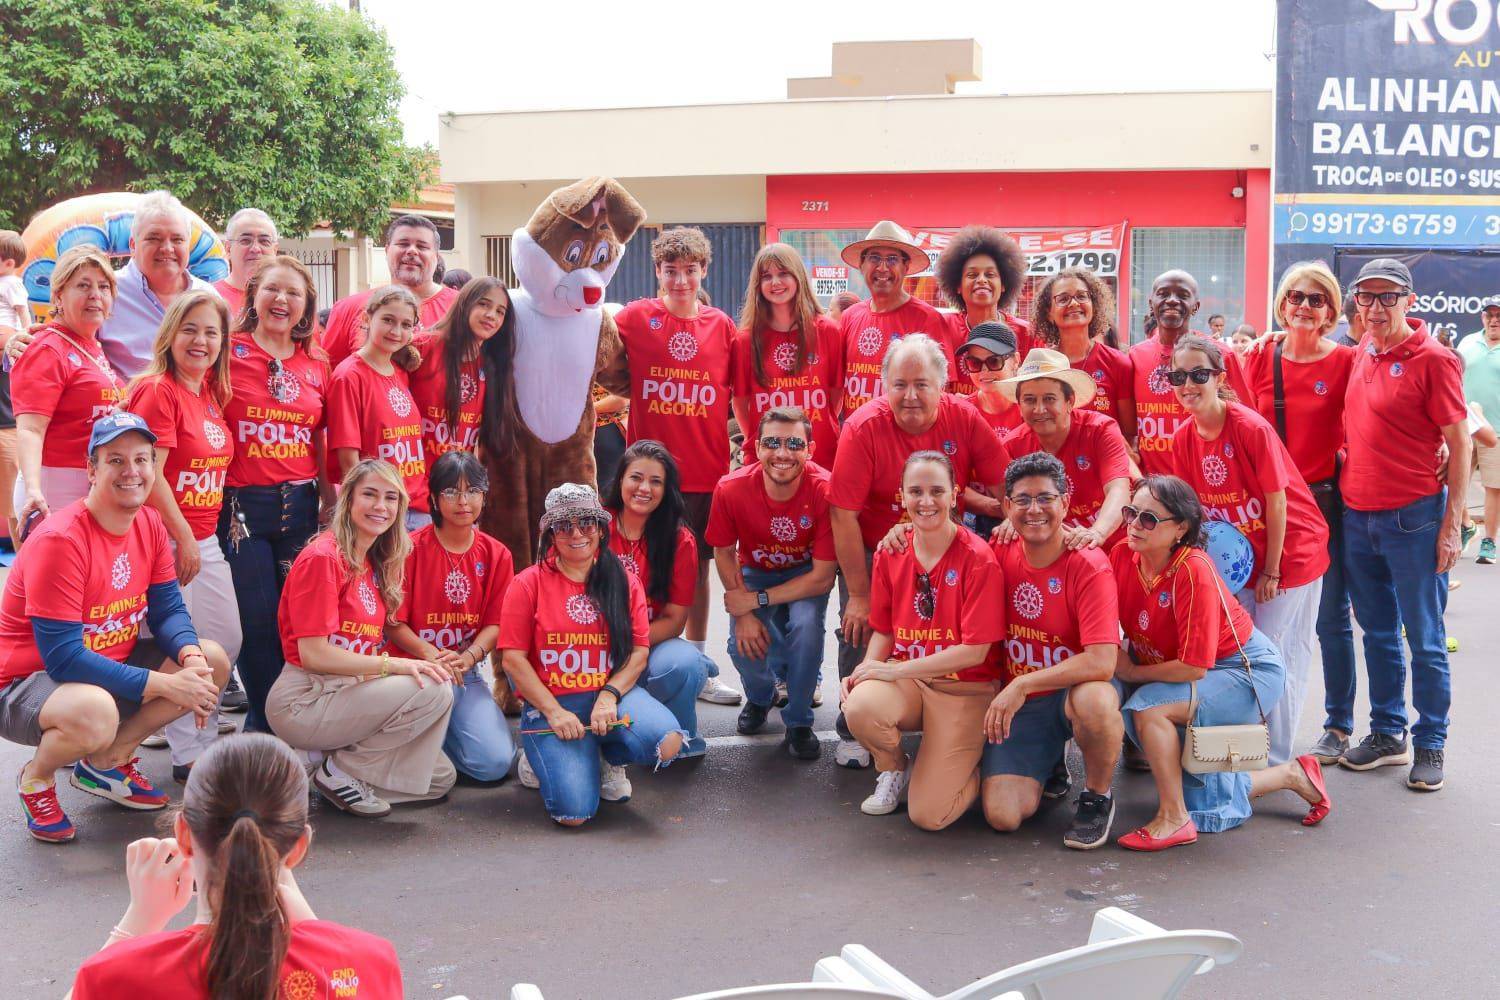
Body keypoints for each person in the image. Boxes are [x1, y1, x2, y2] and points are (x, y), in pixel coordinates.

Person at [0, 412, 231, 843]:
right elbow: (64, 658)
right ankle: (36, 779)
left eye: (142, 460)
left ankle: (107, 762)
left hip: (103, 669)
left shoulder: (147, 523)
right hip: (25, 683)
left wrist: (191, 660)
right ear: (91, 469)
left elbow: (168, 612)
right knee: (96, 712)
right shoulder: (61, 541)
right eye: (116, 460)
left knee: (211, 659)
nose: (132, 472)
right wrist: (165, 685)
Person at [68, 734, 403, 998]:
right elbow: (332, 969)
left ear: (183, 834)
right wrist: (311, 927)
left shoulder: (117, 975)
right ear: (298, 847)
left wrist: (138, 922)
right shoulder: (370, 961)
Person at [1111, 476, 1331, 851]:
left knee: (1150, 710)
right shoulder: (1121, 555)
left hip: (1244, 670)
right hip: (1190, 667)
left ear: (1181, 527)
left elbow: (1194, 668)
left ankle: (1173, 818)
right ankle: (1293, 774)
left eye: (1149, 519)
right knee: (1205, 796)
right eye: (1131, 512)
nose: (1134, 525)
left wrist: (1132, 672)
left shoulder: (1193, 568)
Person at [830, 334, 1009, 768]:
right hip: (879, 547)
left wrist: (1009, 529)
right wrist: (858, 592)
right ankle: (854, 725)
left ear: (943, 384)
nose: (910, 395)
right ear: (883, 384)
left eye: (922, 384)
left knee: (953, 635)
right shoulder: (863, 426)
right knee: (862, 627)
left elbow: (1006, 482)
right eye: (899, 384)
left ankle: (957, 712)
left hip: (945, 541)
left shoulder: (963, 418)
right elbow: (842, 515)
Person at [1339, 258, 1469, 791]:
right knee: (1377, 634)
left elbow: (1459, 441)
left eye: (1387, 297)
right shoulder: (1362, 351)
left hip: (1414, 518)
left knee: (1427, 637)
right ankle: (1389, 733)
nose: (1375, 307)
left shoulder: (1434, 359)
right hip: (1357, 516)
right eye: (1365, 298)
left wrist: (1453, 523)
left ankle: (1431, 741)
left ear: (1409, 301)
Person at [1168, 334, 1328, 765]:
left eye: (1199, 374)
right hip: (1240, 563)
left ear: (1218, 377)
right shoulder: (1183, 438)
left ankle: (1274, 761)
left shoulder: (1250, 427)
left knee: (1277, 653)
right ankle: (1246, 753)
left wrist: (1271, 573)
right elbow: (1197, 514)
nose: (1188, 384)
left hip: (1290, 553)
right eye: (1177, 376)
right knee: (1245, 656)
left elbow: (1277, 502)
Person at [267, 459, 455, 817]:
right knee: (433, 689)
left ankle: (321, 766)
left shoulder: (372, 560)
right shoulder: (323, 558)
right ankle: (339, 772)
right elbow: (314, 655)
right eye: (369, 494)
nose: (380, 507)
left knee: (437, 779)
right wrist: (396, 664)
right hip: (307, 698)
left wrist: (422, 655)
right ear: (349, 499)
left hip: (351, 693)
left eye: (390, 498)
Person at [498, 483, 685, 826]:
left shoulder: (623, 579)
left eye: (585, 522)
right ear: (550, 535)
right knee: (574, 814)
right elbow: (512, 660)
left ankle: (605, 755)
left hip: (609, 697)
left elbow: (639, 651)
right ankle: (538, 754)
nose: (576, 534)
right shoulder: (527, 583)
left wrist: (608, 696)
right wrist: (554, 712)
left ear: (600, 529)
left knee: (669, 742)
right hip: (553, 704)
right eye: (563, 526)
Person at [610, 228, 740, 705]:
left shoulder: (722, 326)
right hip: (645, 473)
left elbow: (742, 394)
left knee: (698, 569)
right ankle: (628, 657)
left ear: (704, 270)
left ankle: (700, 664)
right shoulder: (634, 318)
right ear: (658, 272)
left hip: (704, 472)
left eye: (690, 270)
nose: (681, 279)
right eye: (671, 270)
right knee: (633, 563)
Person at [842, 451, 1004, 827]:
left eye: (936, 491)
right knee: (860, 705)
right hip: (911, 680)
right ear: (901, 495)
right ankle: (894, 768)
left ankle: (972, 765)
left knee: (931, 816)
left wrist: (891, 672)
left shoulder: (978, 557)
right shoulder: (891, 551)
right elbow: (884, 628)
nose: (926, 501)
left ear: (955, 494)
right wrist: (867, 669)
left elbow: (975, 652)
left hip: (964, 690)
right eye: (915, 491)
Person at [1242, 262, 1357, 764]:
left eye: (1315, 299)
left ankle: (1337, 724)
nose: (1304, 307)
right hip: (1266, 504)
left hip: (1322, 501)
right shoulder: (1259, 356)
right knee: (1259, 622)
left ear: (1331, 309)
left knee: (1330, 617)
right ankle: (1255, 736)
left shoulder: (1349, 361)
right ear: (1281, 304)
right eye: (1295, 297)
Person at [125, 291, 241, 780]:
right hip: (169, 540)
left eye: (212, 332)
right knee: (184, 647)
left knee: (225, 640)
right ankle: (188, 752)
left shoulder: (210, 393)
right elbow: (151, 473)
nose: (201, 340)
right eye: (191, 329)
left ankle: (199, 732)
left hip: (202, 536)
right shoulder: (159, 390)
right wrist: (183, 538)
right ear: (171, 332)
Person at [981, 452, 1123, 850]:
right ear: (1007, 507)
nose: (1034, 509)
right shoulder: (999, 546)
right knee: (1002, 816)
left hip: (1074, 689)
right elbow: (945, 544)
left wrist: (1023, 683)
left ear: (1065, 502)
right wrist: (899, 533)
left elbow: (1101, 660)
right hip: (1025, 699)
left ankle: (1098, 795)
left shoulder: (1089, 564)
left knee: (1094, 700)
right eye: (1023, 500)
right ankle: (1050, 766)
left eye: (1045, 498)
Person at [220, 255, 329, 734]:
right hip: (243, 508)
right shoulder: (226, 353)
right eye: (272, 290)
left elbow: (320, 439)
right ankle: (264, 722)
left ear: (306, 307)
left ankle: (297, 716)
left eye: (294, 294)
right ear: (253, 297)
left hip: (301, 508)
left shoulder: (317, 365)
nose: (282, 300)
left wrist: (329, 500)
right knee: (257, 619)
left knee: (298, 619)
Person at [707, 406, 837, 758]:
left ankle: (798, 720)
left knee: (807, 628)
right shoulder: (731, 488)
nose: (782, 453)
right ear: (757, 447)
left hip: (804, 574)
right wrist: (744, 610)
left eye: (794, 443)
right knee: (741, 644)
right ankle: (762, 698)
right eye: (772, 443)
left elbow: (823, 577)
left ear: (810, 449)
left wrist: (757, 601)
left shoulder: (825, 489)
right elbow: (722, 551)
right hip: (754, 571)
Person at [389, 451, 516, 782]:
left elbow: (497, 623)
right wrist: (432, 656)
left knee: (494, 765)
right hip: (414, 672)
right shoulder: (408, 549)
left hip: (464, 673)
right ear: (432, 497)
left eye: (472, 491)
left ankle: (441, 740)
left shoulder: (497, 554)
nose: (463, 501)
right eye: (451, 492)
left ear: (484, 496)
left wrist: (470, 656)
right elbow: (393, 623)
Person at [601, 441, 713, 757]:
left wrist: (630, 647)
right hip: (595, 644)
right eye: (636, 477)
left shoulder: (680, 539)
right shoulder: (596, 527)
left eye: (656, 481)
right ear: (620, 479)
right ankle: (636, 721)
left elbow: (676, 620)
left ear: (667, 490)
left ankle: (680, 733)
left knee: (685, 663)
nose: (644, 488)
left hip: (649, 643)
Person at [13, 246, 126, 525]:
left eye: (103, 287)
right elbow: (30, 429)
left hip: (90, 484)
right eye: (83, 285)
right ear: (58, 295)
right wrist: (33, 490)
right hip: (55, 487)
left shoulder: (91, 344)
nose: (95, 295)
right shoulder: (47, 347)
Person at [1001, 349, 1131, 550]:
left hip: (1113, 545)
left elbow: (1119, 489)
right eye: (1029, 400)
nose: (1039, 409)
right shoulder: (1012, 445)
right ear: (1019, 405)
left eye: (1049, 399)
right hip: (1054, 554)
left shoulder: (1100, 430)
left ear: (1070, 401)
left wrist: (1096, 534)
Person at [1128, 270, 1255, 475]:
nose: (1172, 300)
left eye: (1182, 295)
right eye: (1164, 294)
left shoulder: (1220, 355)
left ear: (1195, 306)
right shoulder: (1134, 356)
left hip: (1208, 487)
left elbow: (1247, 423)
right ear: (1151, 303)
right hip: (1154, 489)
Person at [732, 243, 844, 467]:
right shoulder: (745, 339)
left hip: (820, 455)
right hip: (767, 461)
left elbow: (835, 396)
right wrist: (759, 439)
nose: (775, 282)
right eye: (766, 276)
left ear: (799, 277)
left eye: (783, 273)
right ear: (758, 284)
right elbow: (741, 403)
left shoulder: (828, 331)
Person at [326, 285, 430, 527]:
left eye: (406, 325)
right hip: (380, 511)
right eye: (388, 320)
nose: (396, 331)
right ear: (366, 318)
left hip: (415, 505)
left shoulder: (401, 372)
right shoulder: (349, 376)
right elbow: (348, 459)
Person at [96, 191, 221, 378]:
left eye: (177, 239)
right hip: (127, 405)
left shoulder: (209, 298)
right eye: (154, 238)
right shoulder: (104, 293)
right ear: (133, 245)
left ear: (188, 245)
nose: (167, 249)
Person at [837, 221, 954, 415]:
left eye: (892, 259)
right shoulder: (849, 316)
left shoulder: (927, 319)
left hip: (905, 438)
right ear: (861, 264)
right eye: (874, 258)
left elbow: (942, 390)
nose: (882, 268)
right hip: (859, 437)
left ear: (906, 266)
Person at [319, 215, 458, 369]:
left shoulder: (461, 308)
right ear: (386, 250)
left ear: (437, 257)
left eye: (422, 246)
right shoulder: (348, 308)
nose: (412, 251)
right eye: (403, 244)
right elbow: (328, 374)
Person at [410, 275, 516, 462]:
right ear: (465, 303)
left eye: (500, 311)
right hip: (412, 481)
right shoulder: (423, 346)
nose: (492, 315)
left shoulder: (493, 366)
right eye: (484, 304)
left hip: (453, 486)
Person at [1029, 267, 1136, 439]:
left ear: (1094, 305)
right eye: (1063, 299)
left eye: (1081, 296)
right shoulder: (1041, 365)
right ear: (1049, 313)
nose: (1074, 303)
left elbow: (1129, 434)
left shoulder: (1117, 362)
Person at [934, 226, 1032, 394]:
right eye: (972, 275)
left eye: (990, 274)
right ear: (958, 286)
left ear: (1004, 285)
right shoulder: (943, 327)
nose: (981, 280)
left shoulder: (1026, 333)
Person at [1459, 300, 1500, 565]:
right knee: (1453, 483)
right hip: (1462, 427)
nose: (1494, 320)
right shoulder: (1467, 343)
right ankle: (1465, 525)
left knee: (1493, 487)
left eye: (1499, 316)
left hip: (1496, 431)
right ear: (1483, 317)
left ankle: (1489, 542)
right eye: (1490, 315)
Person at [0, 229, 27, 546]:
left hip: (9, 425)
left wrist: (20, 336)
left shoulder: (13, 285)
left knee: (14, 505)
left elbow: (22, 315)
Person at [954, 320, 1022, 436]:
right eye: (974, 363)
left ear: (1015, 360)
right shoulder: (962, 412)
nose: (984, 370)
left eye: (994, 361)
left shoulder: (1033, 408)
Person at [214, 208, 279, 319]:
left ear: (275, 250)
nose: (255, 248)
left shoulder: (287, 300)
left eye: (264, 241)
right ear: (228, 249)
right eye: (245, 240)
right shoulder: (210, 296)